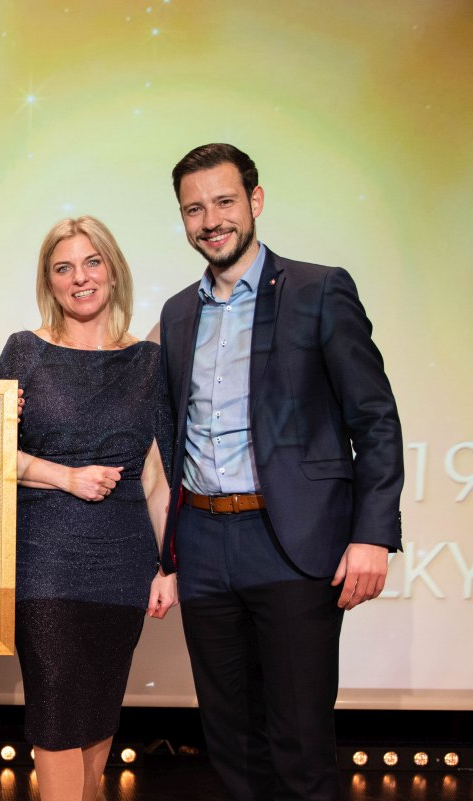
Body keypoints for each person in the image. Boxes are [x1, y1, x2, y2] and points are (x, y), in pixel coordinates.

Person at [159, 143, 403, 801]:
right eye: (194, 209)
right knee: (230, 743)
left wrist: (372, 534)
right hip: (204, 545)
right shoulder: (178, 313)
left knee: (299, 743)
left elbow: (375, 419)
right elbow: (173, 432)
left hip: (291, 542)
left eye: (224, 201)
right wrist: (169, 553)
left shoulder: (319, 290)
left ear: (256, 201)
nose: (211, 220)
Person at [0, 217, 178, 801]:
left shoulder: (150, 361)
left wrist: (167, 565)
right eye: (64, 267)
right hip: (41, 553)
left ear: (113, 271)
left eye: (92, 262)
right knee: (54, 705)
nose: (80, 278)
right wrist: (65, 477)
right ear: (48, 281)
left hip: (122, 559)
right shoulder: (25, 350)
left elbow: (161, 477)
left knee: (98, 709)